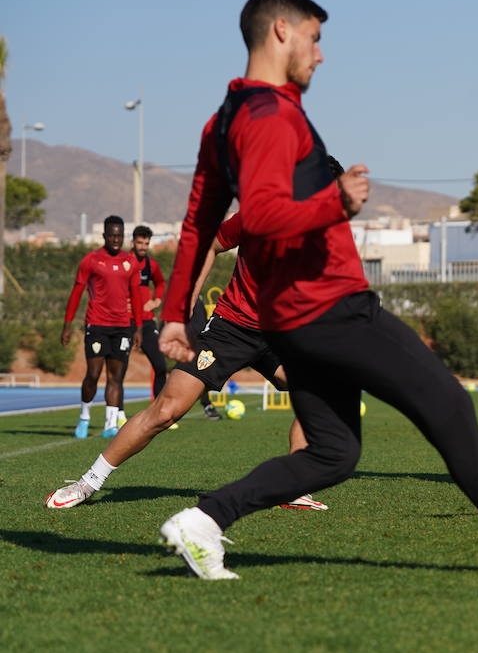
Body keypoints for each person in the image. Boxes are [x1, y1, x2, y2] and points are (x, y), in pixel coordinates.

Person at [154, 0, 478, 579]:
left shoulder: (223, 120)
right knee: (449, 404)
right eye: (315, 38)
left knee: (333, 454)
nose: (320, 54)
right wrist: (334, 202)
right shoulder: (270, 115)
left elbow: (198, 225)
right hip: (328, 307)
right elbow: (261, 215)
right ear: (281, 30)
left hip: (289, 320)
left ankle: (203, 521)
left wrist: (174, 315)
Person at [45, 212, 325, 511]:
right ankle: (88, 482)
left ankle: (293, 487)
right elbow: (211, 245)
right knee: (166, 411)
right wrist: (190, 294)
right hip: (231, 331)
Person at [61, 215, 144, 438]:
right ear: (104, 236)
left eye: (120, 236)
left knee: (115, 377)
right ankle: (84, 417)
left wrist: (138, 327)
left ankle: (110, 425)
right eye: (112, 235)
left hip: (122, 327)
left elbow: (136, 296)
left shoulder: (130, 262)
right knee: (93, 374)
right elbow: (76, 292)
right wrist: (67, 325)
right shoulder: (91, 260)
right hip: (97, 324)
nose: (116, 239)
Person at [129, 225, 170, 401]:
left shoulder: (151, 264)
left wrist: (157, 300)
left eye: (146, 243)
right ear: (132, 242)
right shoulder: (124, 263)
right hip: (125, 322)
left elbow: (160, 282)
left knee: (161, 367)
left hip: (146, 322)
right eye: (140, 243)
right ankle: (117, 413)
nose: (143, 247)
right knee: (118, 370)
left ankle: (158, 410)